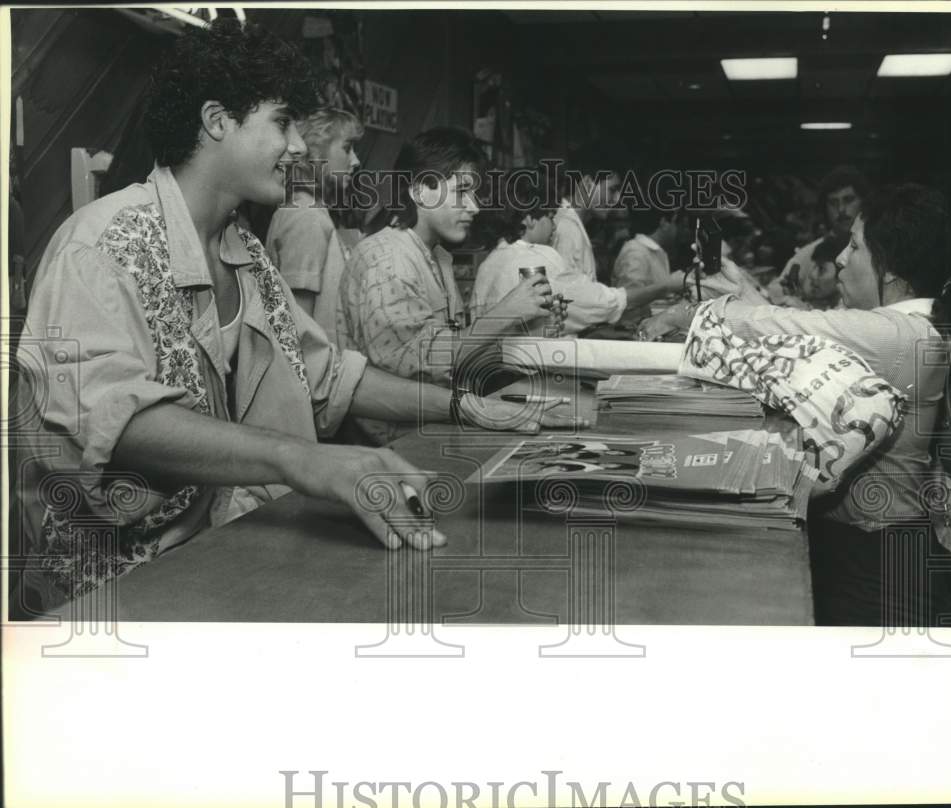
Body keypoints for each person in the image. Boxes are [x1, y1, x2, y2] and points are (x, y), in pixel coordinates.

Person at [13, 20, 583, 614]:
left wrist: (463, 407)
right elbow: (116, 422)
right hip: (102, 590)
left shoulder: (245, 250)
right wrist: (303, 458)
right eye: (281, 122)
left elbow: (327, 374)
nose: (297, 146)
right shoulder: (101, 244)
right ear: (216, 121)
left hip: (209, 556)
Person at [639, 184, 951, 626]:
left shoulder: (902, 337)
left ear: (892, 270)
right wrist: (737, 291)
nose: (841, 258)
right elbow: (796, 333)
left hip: (875, 562)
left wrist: (692, 313)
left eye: (856, 247)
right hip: (871, 544)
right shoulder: (914, 328)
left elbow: (785, 326)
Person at [337, 130, 565, 443]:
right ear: (420, 191)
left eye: (474, 194)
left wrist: (526, 327)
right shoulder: (387, 260)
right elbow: (412, 369)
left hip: (432, 425)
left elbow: (454, 351)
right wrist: (504, 314)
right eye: (461, 192)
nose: (474, 206)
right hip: (390, 445)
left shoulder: (437, 255)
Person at [471, 174, 678, 337]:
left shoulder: (489, 262)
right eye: (551, 216)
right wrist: (666, 286)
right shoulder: (539, 254)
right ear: (529, 219)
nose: (554, 224)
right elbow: (595, 302)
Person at [265, 106, 363, 345]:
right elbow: (299, 328)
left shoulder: (310, 209)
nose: (355, 161)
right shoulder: (306, 215)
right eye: (347, 148)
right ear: (317, 151)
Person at [771, 165, 869, 306]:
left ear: (863, 203)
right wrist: (794, 296)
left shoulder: (877, 251)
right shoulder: (810, 253)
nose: (841, 210)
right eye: (833, 203)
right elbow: (776, 289)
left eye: (848, 200)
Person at [551, 146, 623, 282]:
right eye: (612, 190)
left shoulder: (570, 223)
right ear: (588, 184)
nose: (616, 199)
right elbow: (567, 295)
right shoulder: (566, 228)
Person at [611, 203, 686, 324]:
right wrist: (669, 285)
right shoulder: (635, 252)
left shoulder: (656, 251)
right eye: (675, 223)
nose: (676, 230)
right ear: (664, 223)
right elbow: (629, 302)